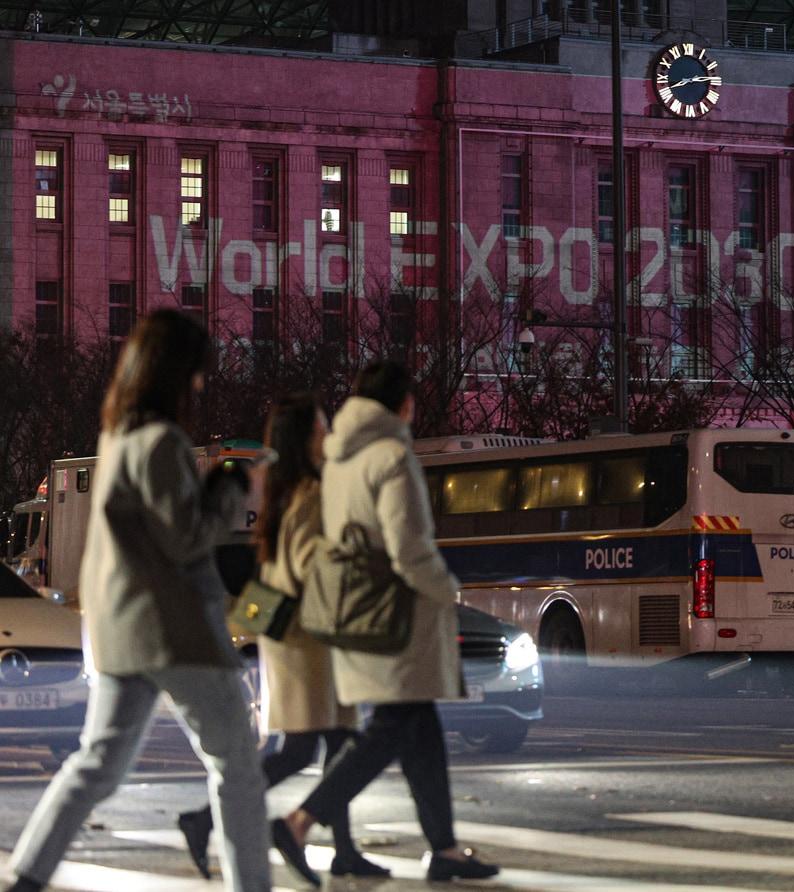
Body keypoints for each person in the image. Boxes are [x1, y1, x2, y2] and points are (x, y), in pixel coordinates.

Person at [3, 311, 270, 892]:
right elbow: (186, 539)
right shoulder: (161, 443)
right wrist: (226, 490)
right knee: (237, 764)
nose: (200, 385)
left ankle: (25, 877)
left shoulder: (119, 439)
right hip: (176, 631)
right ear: (176, 373)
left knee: (96, 764)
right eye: (197, 374)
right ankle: (252, 885)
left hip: (121, 633)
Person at [270, 361, 498, 885]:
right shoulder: (392, 456)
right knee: (390, 728)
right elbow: (409, 548)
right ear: (404, 405)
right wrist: (448, 588)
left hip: (357, 612)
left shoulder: (338, 461)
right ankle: (299, 821)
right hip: (401, 617)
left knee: (420, 731)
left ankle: (444, 848)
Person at [176, 393, 387, 880]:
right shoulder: (308, 493)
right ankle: (207, 818)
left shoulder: (291, 489)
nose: (328, 436)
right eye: (321, 429)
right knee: (305, 749)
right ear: (305, 439)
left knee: (335, 742)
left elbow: (275, 573)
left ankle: (343, 848)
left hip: (302, 635)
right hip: (305, 637)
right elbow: (304, 566)